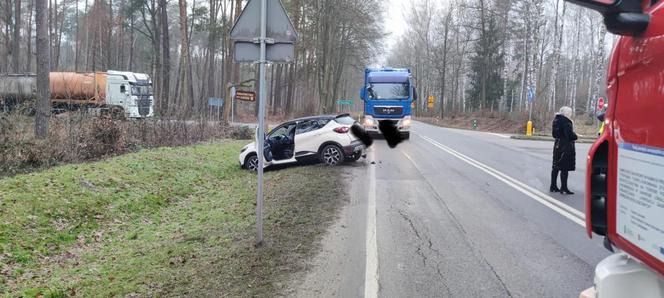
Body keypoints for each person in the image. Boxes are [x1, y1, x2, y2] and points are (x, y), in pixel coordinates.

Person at [550, 106, 578, 195]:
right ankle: (564, 188)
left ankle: (553, 186)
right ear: (567, 113)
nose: (571, 114)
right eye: (570, 113)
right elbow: (569, 135)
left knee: (556, 166)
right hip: (565, 146)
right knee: (564, 168)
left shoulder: (556, 120)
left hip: (557, 145)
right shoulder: (566, 122)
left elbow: (554, 135)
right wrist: (575, 136)